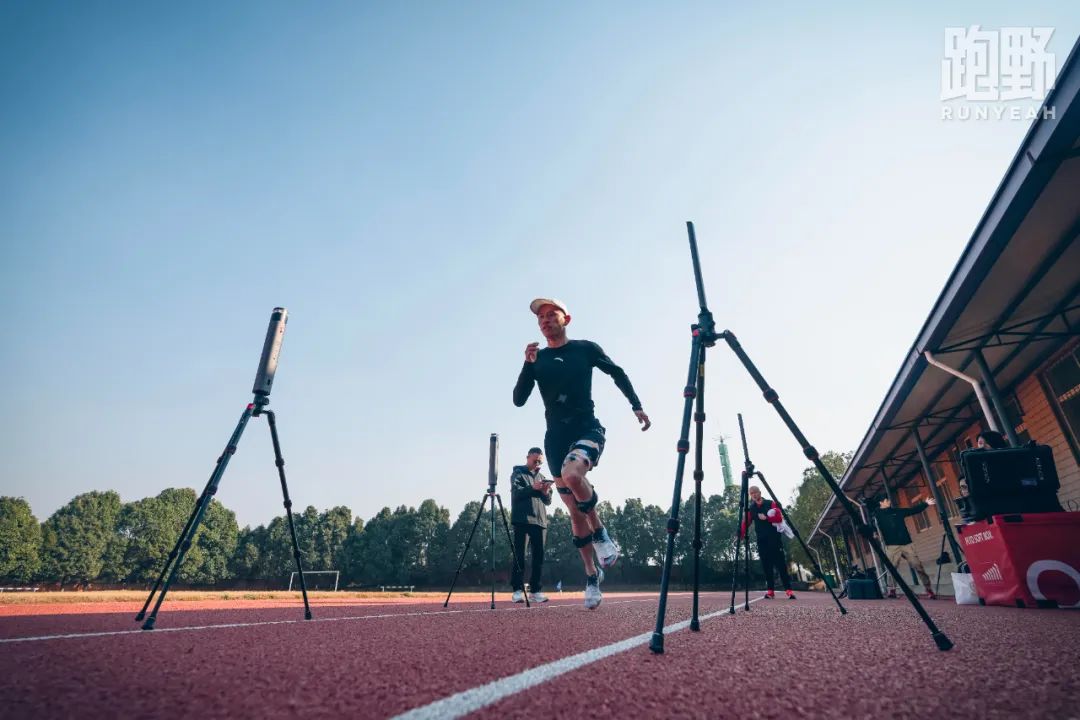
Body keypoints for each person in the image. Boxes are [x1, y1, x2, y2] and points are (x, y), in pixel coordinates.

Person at [513, 297, 650, 609]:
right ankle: (591, 575)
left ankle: (601, 533)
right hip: (555, 438)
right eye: (540, 318)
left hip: (587, 429)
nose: (545, 321)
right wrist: (527, 364)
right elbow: (518, 400)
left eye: (551, 315)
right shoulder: (538, 359)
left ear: (567, 319)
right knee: (575, 512)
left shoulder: (585, 349)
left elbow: (617, 372)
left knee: (574, 474)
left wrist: (636, 405)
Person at [869, 494, 938, 599]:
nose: (889, 502)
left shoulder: (897, 511)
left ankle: (929, 590)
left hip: (907, 544)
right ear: (881, 502)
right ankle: (892, 590)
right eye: (886, 500)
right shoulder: (876, 515)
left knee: (918, 566)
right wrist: (874, 532)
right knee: (891, 568)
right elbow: (872, 525)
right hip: (892, 546)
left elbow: (913, 510)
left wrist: (925, 504)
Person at [510, 447, 552, 603]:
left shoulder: (542, 477)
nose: (537, 463)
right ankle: (517, 590)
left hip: (540, 521)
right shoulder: (518, 473)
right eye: (535, 460)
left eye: (540, 461)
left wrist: (546, 492)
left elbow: (548, 501)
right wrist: (532, 487)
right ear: (527, 458)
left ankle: (536, 590)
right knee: (519, 555)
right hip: (522, 519)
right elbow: (516, 493)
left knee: (539, 558)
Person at [742, 485, 796, 599]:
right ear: (750, 496)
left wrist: (766, 518)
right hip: (761, 540)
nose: (754, 495)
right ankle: (770, 591)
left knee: (781, 564)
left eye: (755, 492)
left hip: (774, 539)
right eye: (751, 494)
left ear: (760, 492)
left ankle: (789, 590)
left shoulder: (771, 503)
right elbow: (746, 522)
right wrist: (740, 534)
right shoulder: (751, 508)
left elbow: (779, 518)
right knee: (766, 566)